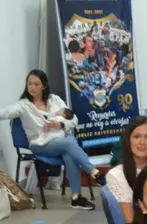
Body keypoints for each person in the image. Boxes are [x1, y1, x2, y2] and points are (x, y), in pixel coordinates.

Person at [0, 70, 105, 210]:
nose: (32, 87)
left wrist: (60, 124)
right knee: (69, 143)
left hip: (60, 142)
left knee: (69, 152)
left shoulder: (55, 100)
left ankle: (76, 197)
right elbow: (6, 112)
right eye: (30, 83)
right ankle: (93, 172)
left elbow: (73, 119)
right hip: (40, 144)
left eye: (36, 84)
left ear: (43, 86)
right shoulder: (23, 105)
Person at [106, 116, 147, 223]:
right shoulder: (117, 175)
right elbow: (130, 221)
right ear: (128, 140)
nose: (142, 142)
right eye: (137, 136)